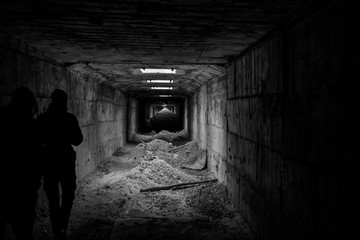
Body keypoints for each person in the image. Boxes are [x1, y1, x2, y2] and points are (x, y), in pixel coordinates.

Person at [37, 89, 83, 240]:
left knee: (53, 199)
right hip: (65, 161)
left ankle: (57, 230)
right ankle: (63, 224)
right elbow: (77, 140)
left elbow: (35, 141)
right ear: (65, 102)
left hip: (49, 161)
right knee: (68, 194)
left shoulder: (42, 118)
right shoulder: (70, 118)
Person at [0, 87, 42, 240]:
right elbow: (36, 158)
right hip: (24, 187)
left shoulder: (2, 117)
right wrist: (35, 182)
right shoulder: (30, 124)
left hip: (4, 184)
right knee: (24, 231)